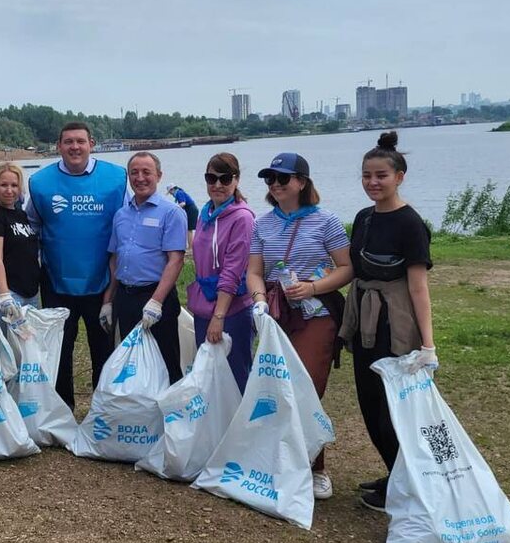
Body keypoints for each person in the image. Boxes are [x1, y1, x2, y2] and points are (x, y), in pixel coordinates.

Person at [245, 152, 352, 501]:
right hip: (277, 315)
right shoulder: (263, 224)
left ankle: (316, 467)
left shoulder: (326, 221)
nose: (275, 185)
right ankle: (282, 459)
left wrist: (312, 287)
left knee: (307, 386)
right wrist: (259, 299)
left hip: (316, 313)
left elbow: (347, 268)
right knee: (275, 386)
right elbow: (254, 270)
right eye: (269, 179)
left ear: (302, 183)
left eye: (282, 179)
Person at [339, 132, 436, 512]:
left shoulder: (411, 224)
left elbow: (418, 288)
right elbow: (351, 269)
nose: (373, 183)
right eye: (366, 175)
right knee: (368, 402)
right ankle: (395, 473)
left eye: (381, 175)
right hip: (363, 317)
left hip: (395, 325)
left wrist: (428, 346)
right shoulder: (363, 218)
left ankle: (408, 484)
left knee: (391, 411)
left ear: (400, 176)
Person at [27, 122, 127, 412]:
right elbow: (30, 226)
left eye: (80, 141)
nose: (75, 147)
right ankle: (63, 412)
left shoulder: (116, 178)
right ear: (59, 146)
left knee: (103, 349)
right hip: (57, 281)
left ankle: (103, 412)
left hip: (103, 282)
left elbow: (128, 221)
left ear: (91, 144)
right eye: (68, 142)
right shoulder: (40, 183)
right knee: (60, 349)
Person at [102, 152, 187, 381]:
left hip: (157, 297)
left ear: (158, 176)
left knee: (166, 361)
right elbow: (115, 259)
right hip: (126, 298)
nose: (140, 178)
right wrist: (108, 301)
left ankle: (170, 414)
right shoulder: (121, 215)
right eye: (134, 172)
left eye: (146, 172)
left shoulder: (172, 213)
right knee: (130, 361)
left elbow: (176, 260)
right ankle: (138, 413)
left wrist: (156, 302)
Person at [185, 153, 256, 392]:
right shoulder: (206, 213)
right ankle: (215, 427)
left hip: (231, 310)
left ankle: (241, 428)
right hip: (204, 306)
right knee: (208, 375)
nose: (217, 185)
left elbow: (233, 271)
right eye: (211, 178)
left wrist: (219, 316)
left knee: (236, 377)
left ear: (236, 180)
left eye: (225, 179)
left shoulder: (242, 218)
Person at [0, 162, 41, 328]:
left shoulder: (22, 215)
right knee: (10, 347)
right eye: (3, 185)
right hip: (9, 292)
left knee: (28, 344)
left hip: (30, 291)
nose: (9, 190)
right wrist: (4, 295)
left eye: (14, 185)